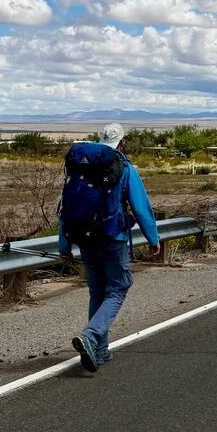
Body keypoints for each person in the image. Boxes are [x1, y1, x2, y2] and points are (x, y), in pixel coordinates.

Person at [57, 123, 159, 372]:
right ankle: (91, 337)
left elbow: (66, 208)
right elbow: (141, 208)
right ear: (121, 143)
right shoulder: (124, 168)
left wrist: (64, 244)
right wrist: (154, 239)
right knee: (118, 288)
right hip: (112, 237)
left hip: (84, 238)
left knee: (97, 290)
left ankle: (99, 351)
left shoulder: (80, 166)